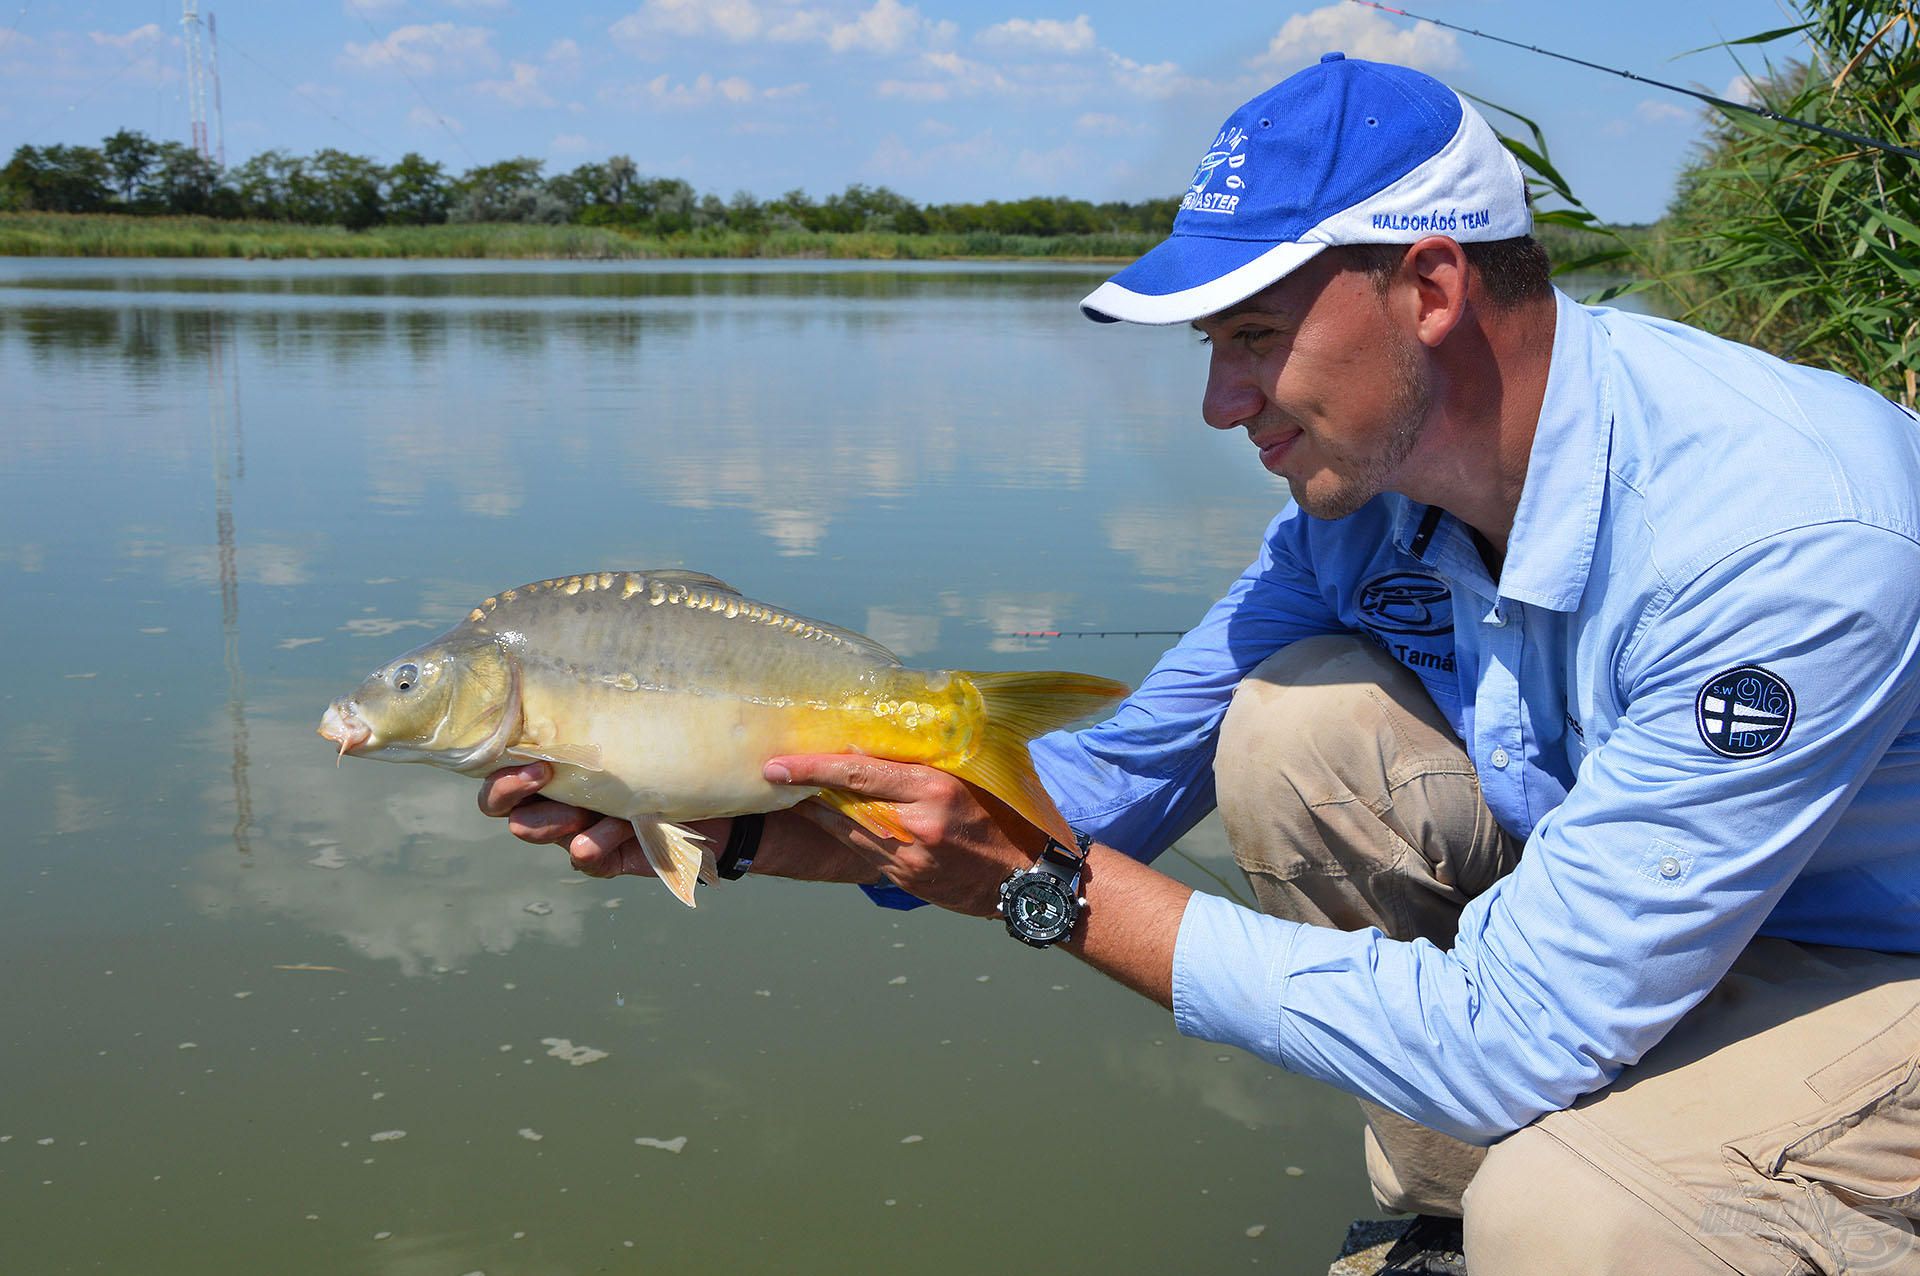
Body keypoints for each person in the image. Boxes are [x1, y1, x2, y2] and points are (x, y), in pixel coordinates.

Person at [480, 55, 1920, 1275]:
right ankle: (1432, 1225)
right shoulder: (1363, 506)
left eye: (1254, 337)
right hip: (1649, 909)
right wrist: (767, 834)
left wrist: (1048, 896)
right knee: (1293, 731)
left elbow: (1514, 1031)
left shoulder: (1783, 537)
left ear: (1429, 285)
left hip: (1875, 960)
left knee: (1576, 1217)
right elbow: (1110, 776)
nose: (1223, 403)